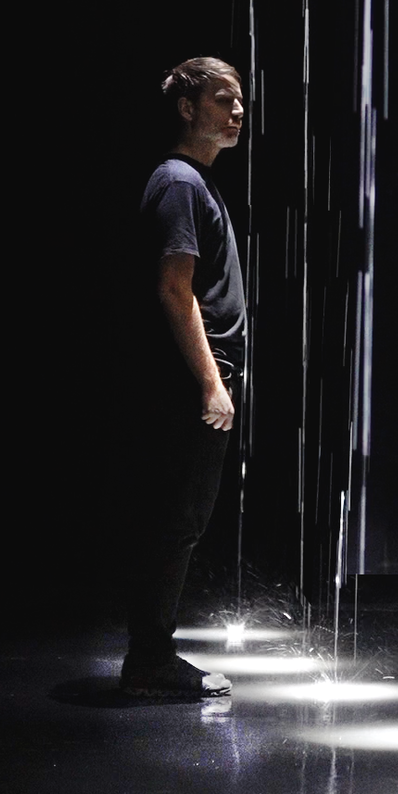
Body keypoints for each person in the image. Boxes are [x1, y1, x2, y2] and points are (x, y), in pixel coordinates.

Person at [120, 57, 249, 698]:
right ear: (187, 107)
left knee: (180, 522)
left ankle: (152, 653)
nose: (238, 112)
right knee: (175, 522)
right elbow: (175, 290)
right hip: (191, 383)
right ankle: (149, 661)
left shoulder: (196, 183)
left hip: (198, 379)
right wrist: (210, 382)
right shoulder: (178, 183)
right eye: (224, 100)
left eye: (241, 101)